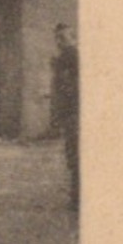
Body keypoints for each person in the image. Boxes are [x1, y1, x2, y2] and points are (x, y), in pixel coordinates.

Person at [52, 23, 79, 210]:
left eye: (63, 38)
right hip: (69, 112)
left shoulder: (73, 56)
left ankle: (77, 198)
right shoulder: (62, 58)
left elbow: (70, 86)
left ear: (73, 38)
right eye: (58, 38)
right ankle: (76, 196)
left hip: (75, 112)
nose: (60, 42)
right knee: (72, 154)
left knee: (76, 155)